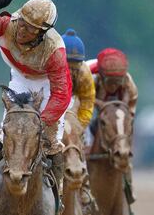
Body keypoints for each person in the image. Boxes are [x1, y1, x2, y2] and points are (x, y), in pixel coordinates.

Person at [0, 0, 72, 208]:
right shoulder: (7, 24)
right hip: (20, 78)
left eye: (30, 28)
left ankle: (59, 196)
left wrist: (40, 123)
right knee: (8, 133)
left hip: (48, 85)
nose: (21, 30)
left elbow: (62, 94)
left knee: (51, 143)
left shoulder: (55, 52)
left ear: (42, 33)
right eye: (22, 22)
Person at [87, 48, 138, 205]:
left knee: (123, 141)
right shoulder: (90, 78)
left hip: (117, 116)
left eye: (117, 82)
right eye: (110, 82)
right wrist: (100, 105)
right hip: (87, 109)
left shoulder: (130, 87)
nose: (114, 86)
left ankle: (128, 186)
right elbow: (82, 104)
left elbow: (129, 117)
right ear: (101, 78)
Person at [61, 28, 98, 214]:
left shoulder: (84, 74)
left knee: (82, 142)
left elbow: (87, 101)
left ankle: (84, 187)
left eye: (76, 66)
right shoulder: (49, 67)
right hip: (52, 102)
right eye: (68, 65)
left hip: (74, 106)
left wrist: (79, 127)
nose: (72, 70)